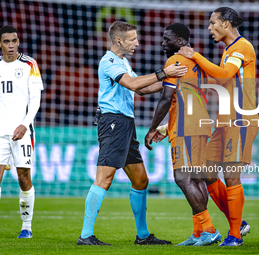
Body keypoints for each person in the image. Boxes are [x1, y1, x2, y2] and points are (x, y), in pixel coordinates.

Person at [76, 21, 187, 246]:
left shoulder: (123, 62)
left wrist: (172, 80)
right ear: (119, 41)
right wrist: (164, 72)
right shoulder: (108, 62)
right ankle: (85, 235)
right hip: (113, 123)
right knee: (104, 179)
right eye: (132, 39)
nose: (137, 43)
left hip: (126, 124)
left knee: (141, 180)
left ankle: (143, 236)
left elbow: (142, 89)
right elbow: (133, 83)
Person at [176, 7, 257, 246]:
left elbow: (224, 75)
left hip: (241, 120)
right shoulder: (228, 51)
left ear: (227, 23)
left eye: (213, 23)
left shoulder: (242, 47)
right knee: (206, 173)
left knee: (231, 178)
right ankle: (238, 222)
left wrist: (196, 56)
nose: (209, 28)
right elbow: (220, 79)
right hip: (224, 121)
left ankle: (234, 235)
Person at [144, 22, 221, 246]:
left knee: (182, 178)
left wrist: (151, 129)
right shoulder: (196, 61)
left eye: (167, 39)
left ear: (179, 41)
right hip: (200, 123)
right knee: (196, 179)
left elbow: (167, 98)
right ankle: (199, 232)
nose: (162, 43)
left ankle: (208, 229)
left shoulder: (174, 61)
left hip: (185, 127)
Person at [0, 25, 44, 238]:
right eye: (6, 41)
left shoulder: (29, 64)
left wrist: (25, 123)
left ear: (18, 42)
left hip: (23, 131)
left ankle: (26, 226)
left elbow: (36, 99)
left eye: (14, 41)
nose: (11, 45)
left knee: (23, 179)